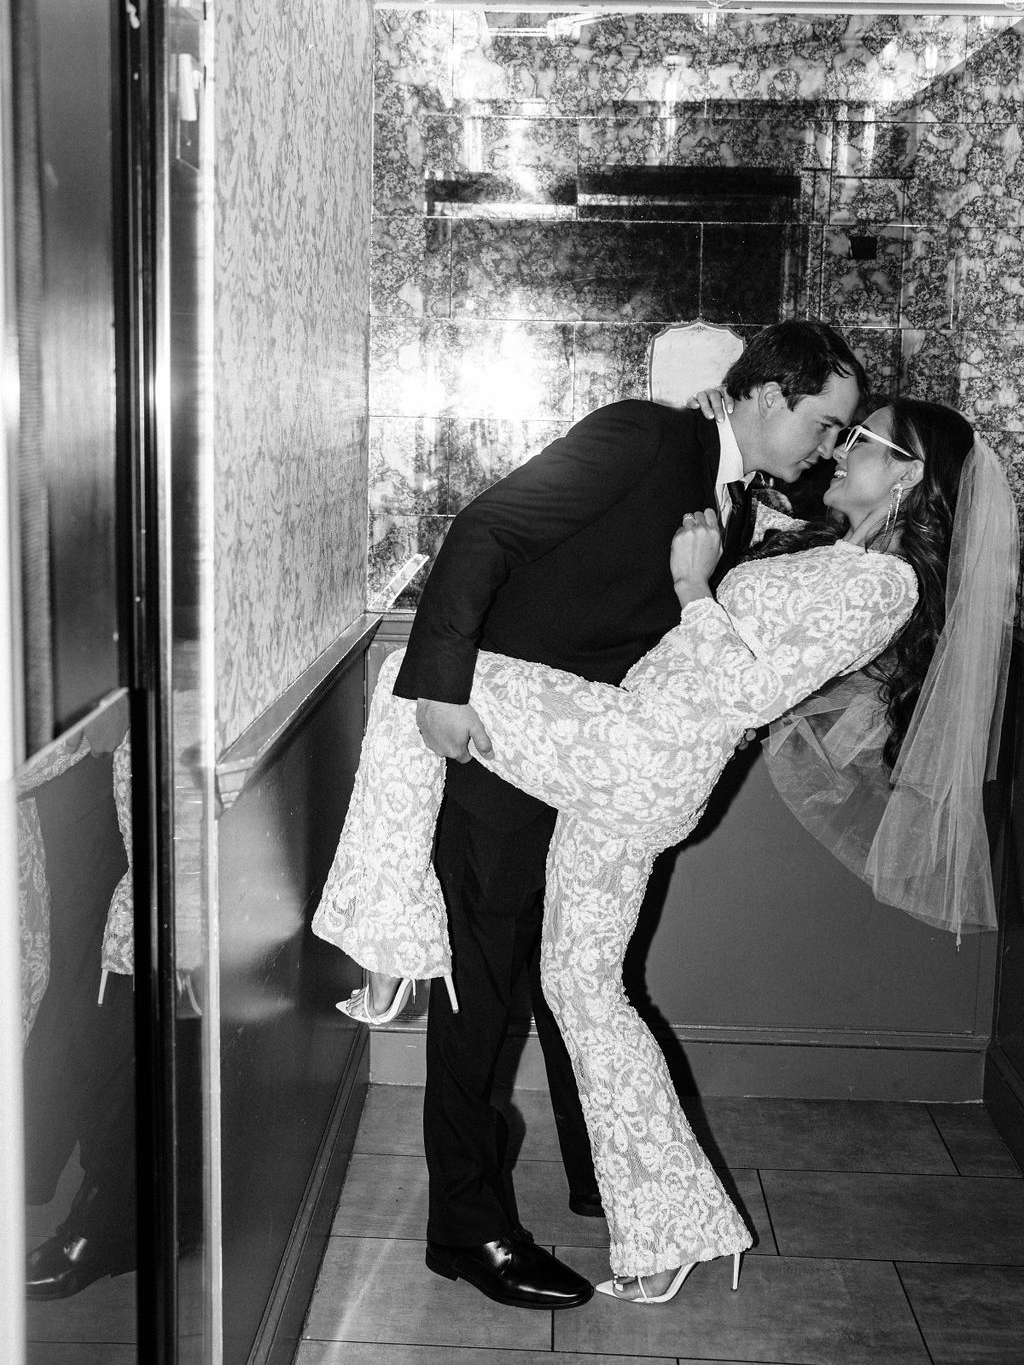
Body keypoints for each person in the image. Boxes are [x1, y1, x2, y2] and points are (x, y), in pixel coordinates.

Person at [315, 397, 1017, 1306]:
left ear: (912, 475)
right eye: (838, 431)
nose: (840, 451)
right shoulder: (836, 554)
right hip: (644, 762)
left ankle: (392, 954)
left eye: (862, 440)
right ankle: (676, 1227)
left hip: (639, 747)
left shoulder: (886, 586)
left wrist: (695, 586)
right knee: (581, 987)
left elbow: (750, 687)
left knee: (413, 678)